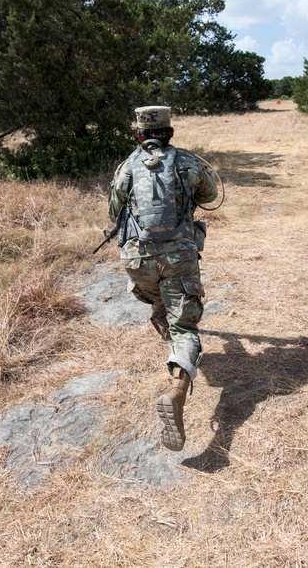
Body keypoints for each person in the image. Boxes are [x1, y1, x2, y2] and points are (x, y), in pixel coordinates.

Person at [108, 106, 218, 451]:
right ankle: (176, 391)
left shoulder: (126, 166)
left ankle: (168, 331)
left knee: (159, 301)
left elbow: (114, 212)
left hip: (138, 259)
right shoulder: (188, 163)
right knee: (185, 327)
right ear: (169, 133)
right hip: (178, 257)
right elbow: (211, 196)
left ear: (139, 135)